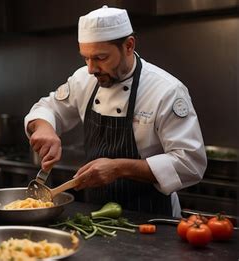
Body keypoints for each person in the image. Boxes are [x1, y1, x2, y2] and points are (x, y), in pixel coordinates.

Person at [24, 5, 206, 217]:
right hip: (96, 215)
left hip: (151, 217)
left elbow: (190, 163)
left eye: (101, 58)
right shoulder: (84, 79)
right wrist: (44, 128)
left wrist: (119, 168)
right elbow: (48, 108)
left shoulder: (167, 91)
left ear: (129, 45)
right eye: (86, 58)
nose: (91, 68)